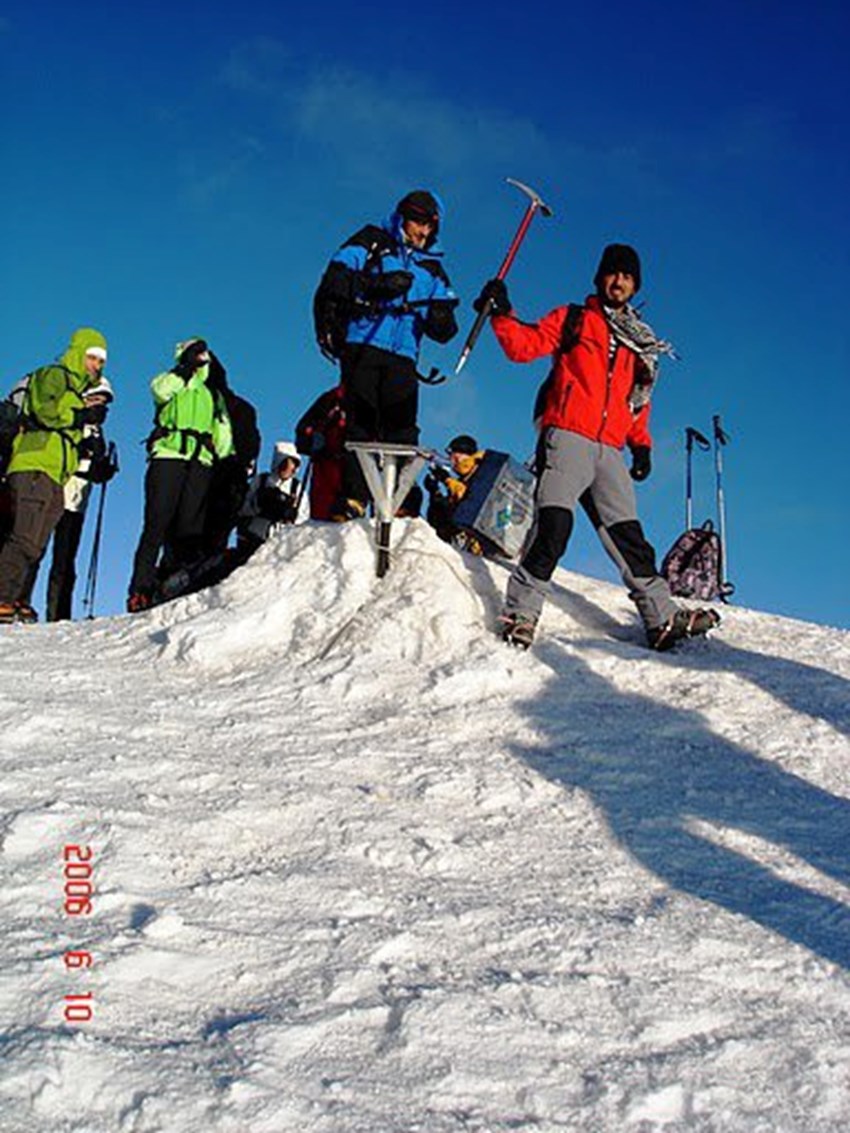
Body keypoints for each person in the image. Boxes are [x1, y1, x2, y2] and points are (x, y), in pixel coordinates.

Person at [476, 243, 720, 651]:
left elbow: (637, 399)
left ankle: (660, 618)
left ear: (635, 284)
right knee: (553, 528)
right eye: (613, 273)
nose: (619, 281)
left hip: (610, 450)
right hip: (568, 435)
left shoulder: (639, 341)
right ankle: (520, 613)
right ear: (599, 278)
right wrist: (502, 314)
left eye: (627, 276)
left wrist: (640, 445)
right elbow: (524, 346)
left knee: (631, 539)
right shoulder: (573, 318)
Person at [313, 189, 459, 520]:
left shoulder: (434, 269)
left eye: (429, 227)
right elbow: (336, 278)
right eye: (418, 223)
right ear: (402, 218)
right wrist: (373, 287)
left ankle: (402, 498)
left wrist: (441, 318)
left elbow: (447, 329)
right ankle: (354, 497)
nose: (423, 232)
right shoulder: (371, 242)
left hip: (404, 354)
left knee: (402, 427)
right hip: (362, 343)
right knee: (360, 423)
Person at [0, 327, 109, 624]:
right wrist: (80, 416)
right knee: (24, 536)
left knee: (36, 543)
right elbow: (46, 410)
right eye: (93, 357)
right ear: (78, 352)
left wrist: (86, 446)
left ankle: (16, 599)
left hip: (56, 472)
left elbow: (65, 432)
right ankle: (3, 598)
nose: (97, 365)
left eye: (101, 361)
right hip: (34, 463)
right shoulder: (55, 375)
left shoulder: (76, 391)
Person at [127, 337, 234, 612]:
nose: (202, 358)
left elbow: (224, 436)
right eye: (196, 353)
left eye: (204, 353)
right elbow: (160, 392)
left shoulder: (213, 395)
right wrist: (183, 370)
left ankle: (179, 583)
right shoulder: (170, 380)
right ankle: (140, 588)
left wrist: (222, 451)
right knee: (157, 522)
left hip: (200, 461)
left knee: (189, 528)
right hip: (169, 455)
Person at [32, 376, 117, 621]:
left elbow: (94, 463)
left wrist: (102, 470)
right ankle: (18, 602)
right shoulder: (70, 419)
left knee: (66, 559)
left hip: (79, 501)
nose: (98, 404)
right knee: (34, 550)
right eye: (95, 398)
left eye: (103, 400)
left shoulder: (97, 430)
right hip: (55, 492)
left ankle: (59, 615)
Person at [201, 353, 261, 555]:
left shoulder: (206, 405)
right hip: (230, 475)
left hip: (217, 474)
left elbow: (250, 445)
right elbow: (252, 446)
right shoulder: (244, 407)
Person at [235, 441, 301, 561]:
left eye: (292, 464)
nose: (288, 468)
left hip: (279, 547)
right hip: (251, 541)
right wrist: (260, 506)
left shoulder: (297, 489)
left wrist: (290, 515)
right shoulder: (260, 481)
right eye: (284, 463)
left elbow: (303, 521)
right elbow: (242, 509)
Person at [424, 434, 488, 553]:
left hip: (480, 544)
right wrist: (435, 492)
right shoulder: (464, 479)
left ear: (460, 455)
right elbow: (449, 508)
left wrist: (447, 479)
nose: (451, 460)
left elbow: (469, 500)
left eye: (453, 455)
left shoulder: (484, 471)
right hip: (467, 542)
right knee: (438, 507)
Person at [295, 383, 346, 521]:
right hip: (326, 467)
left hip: (352, 469)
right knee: (323, 521)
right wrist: (312, 439)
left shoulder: (368, 398)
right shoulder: (330, 399)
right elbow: (302, 430)